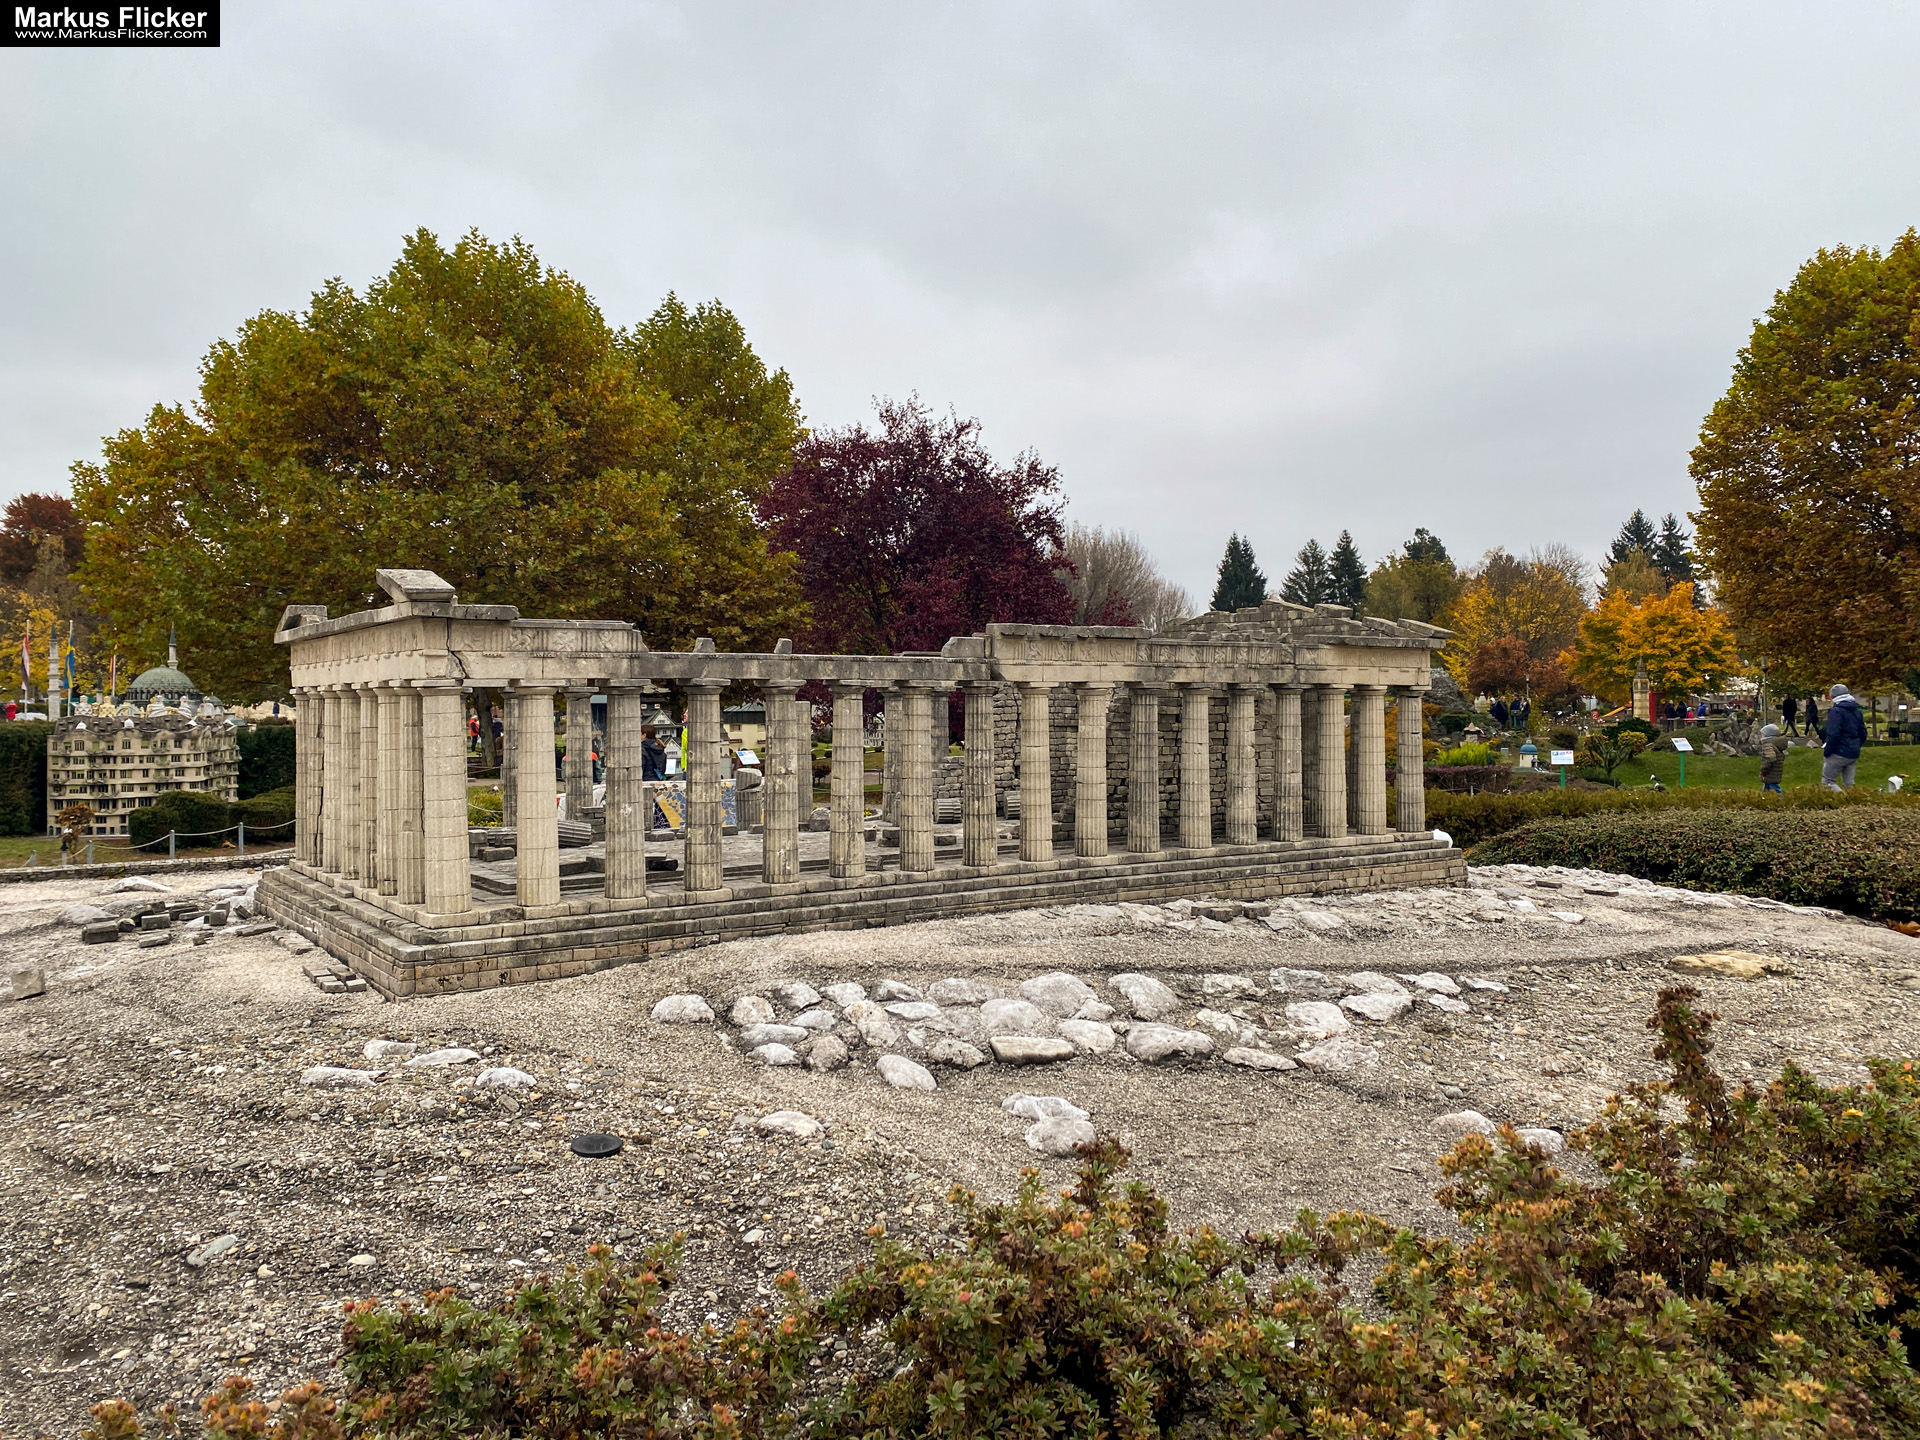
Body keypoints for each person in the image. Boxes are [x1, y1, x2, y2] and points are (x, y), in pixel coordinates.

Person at [1821, 683, 1866, 789]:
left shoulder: (1836, 711)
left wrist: (1828, 751)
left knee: (1828, 782)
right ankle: (1855, 802)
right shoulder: (1857, 711)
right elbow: (1863, 733)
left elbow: (1833, 734)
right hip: (1853, 751)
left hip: (1839, 751)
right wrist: (1856, 745)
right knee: (1849, 783)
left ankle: (1843, 800)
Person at [1758, 722, 1787, 793]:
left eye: (1762, 734)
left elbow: (1770, 758)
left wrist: (1764, 771)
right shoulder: (1776, 744)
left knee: (1775, 789)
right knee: (1767, 788)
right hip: (1775, 771)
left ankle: (1782, 799)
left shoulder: (1768, 744)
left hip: (1770, 773)